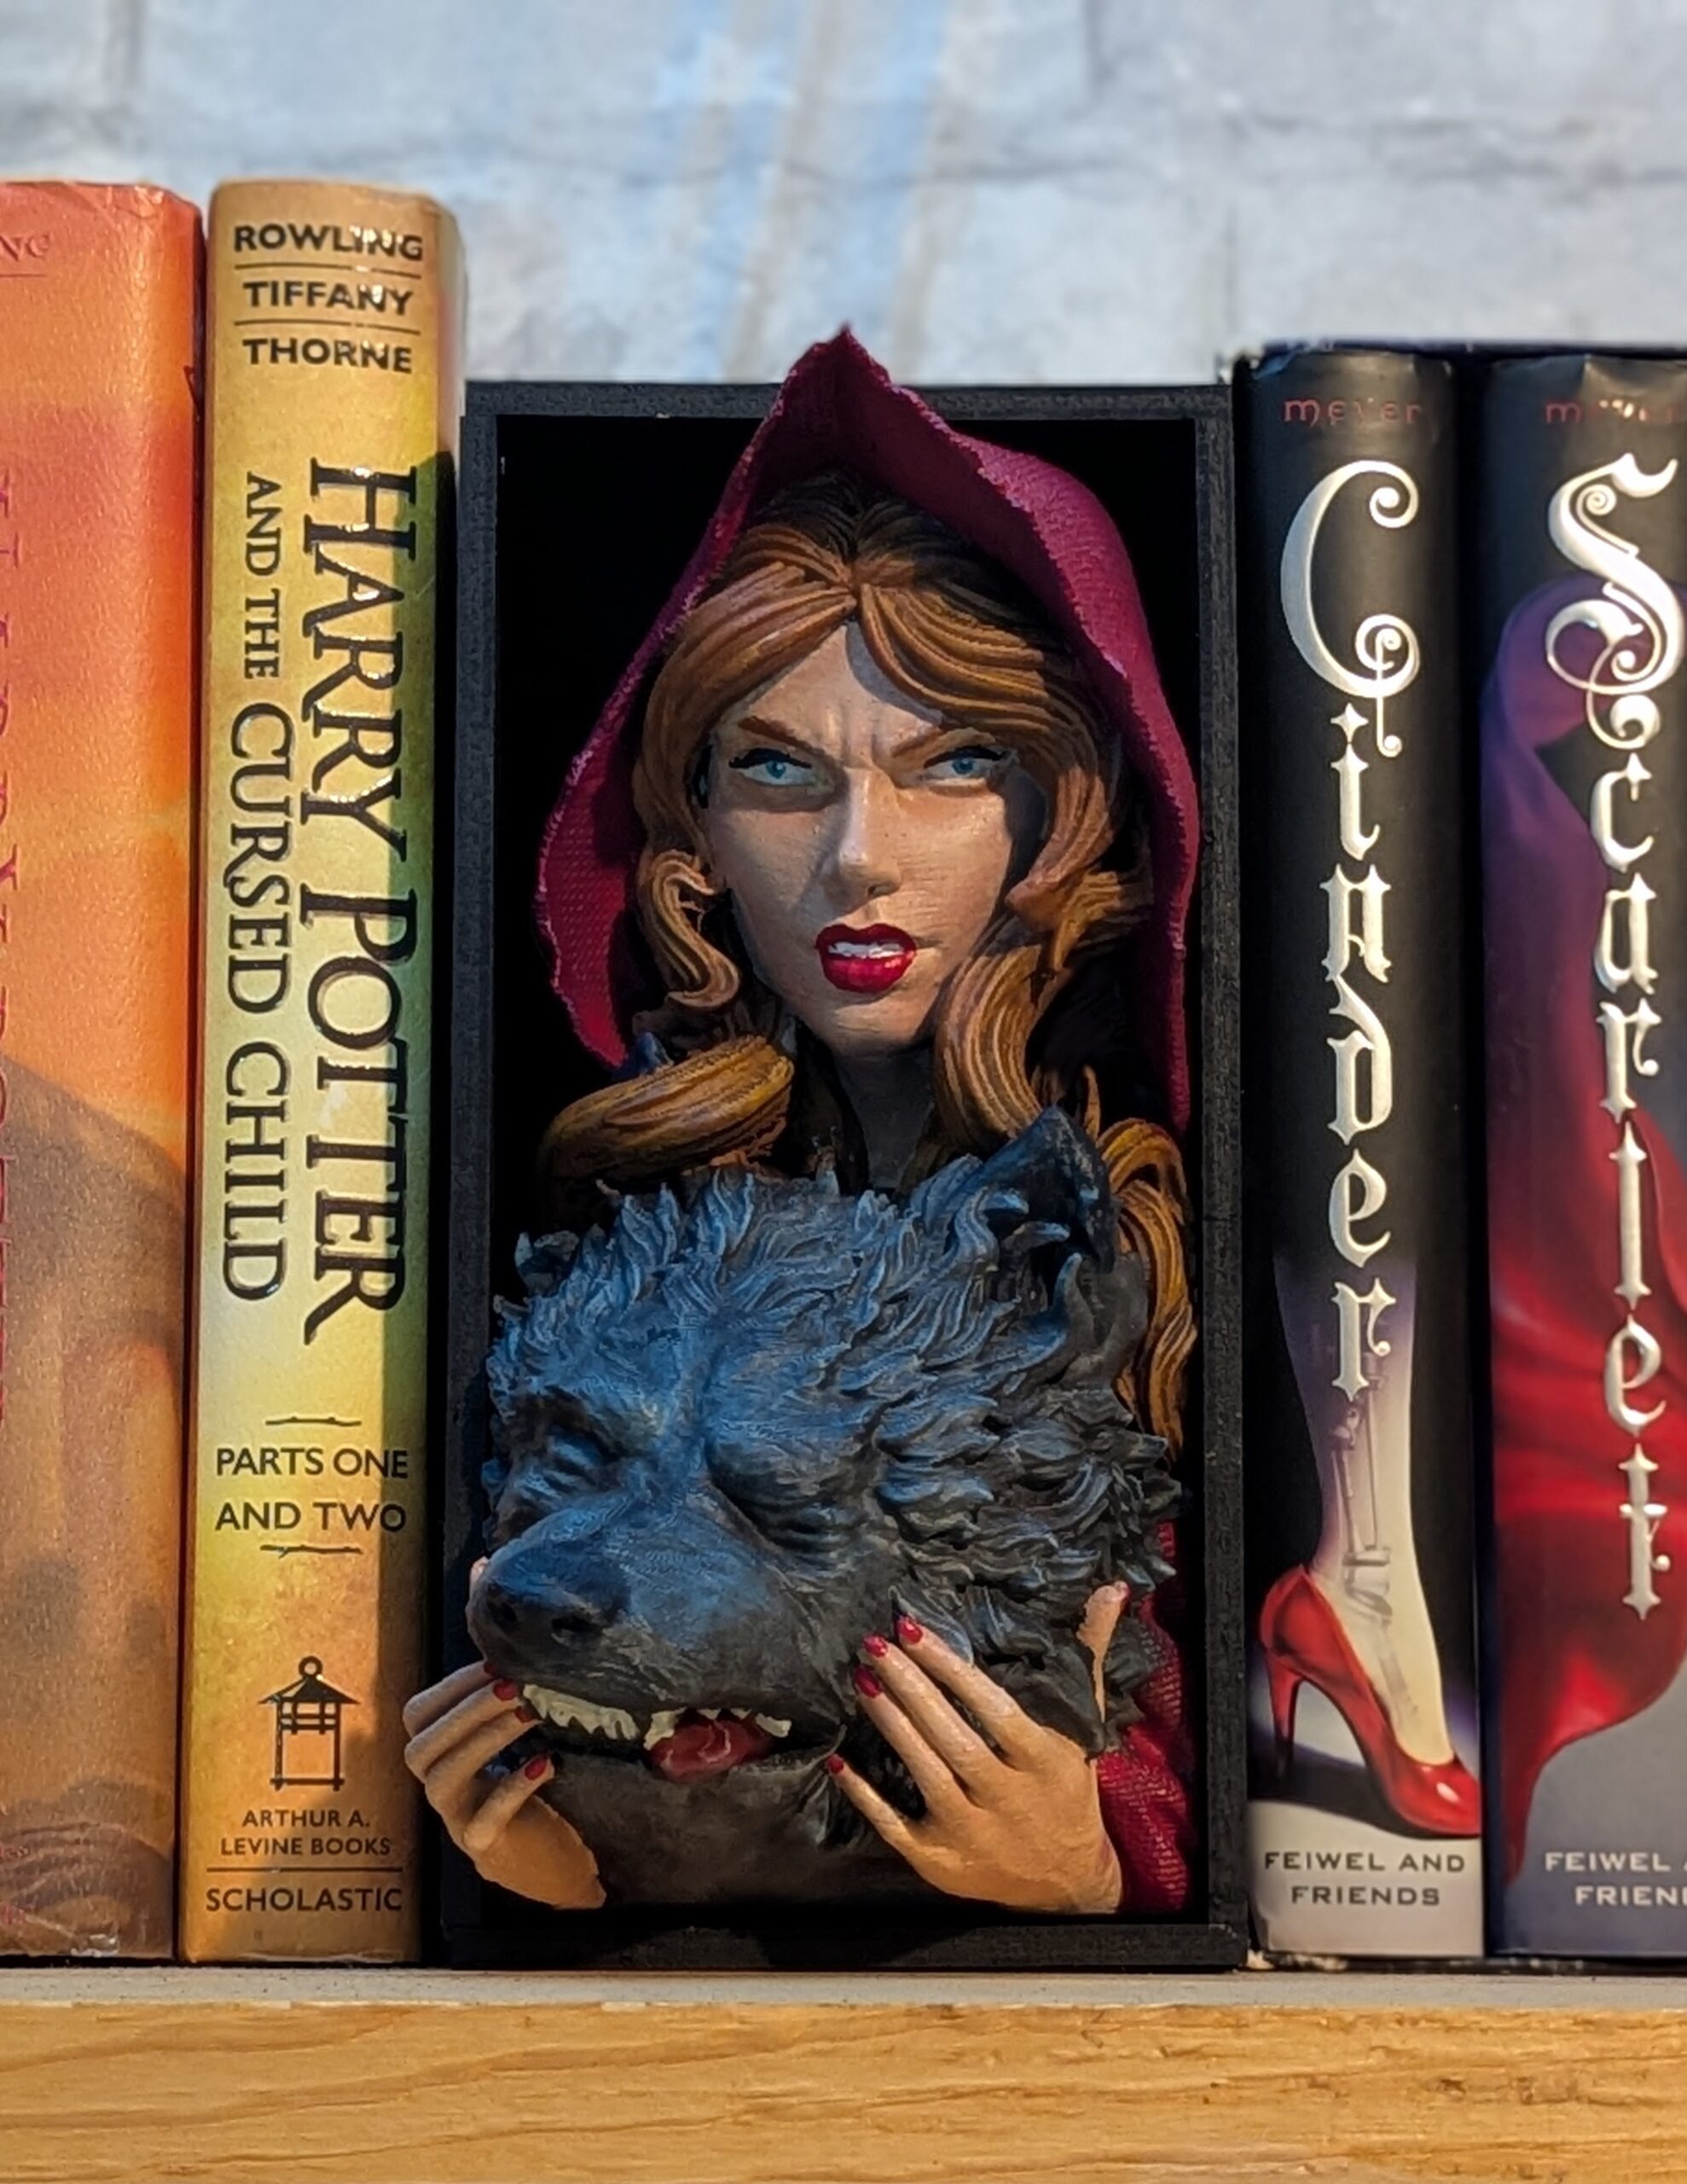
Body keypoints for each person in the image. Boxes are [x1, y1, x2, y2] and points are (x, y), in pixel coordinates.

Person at [404, 334, 1200, 1914]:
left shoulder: (1138, 1201)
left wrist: (1106, 1857)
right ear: (689, 832)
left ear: (1066, 809)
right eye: (776, 770)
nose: (856, 859)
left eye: (951, 766)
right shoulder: (648, 1190)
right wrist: (553, 1841)